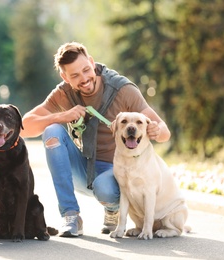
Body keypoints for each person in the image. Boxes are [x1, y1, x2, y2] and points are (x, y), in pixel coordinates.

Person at [20, 42, 171, 237]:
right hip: (84, 168)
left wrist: (157, 130)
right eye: (74, 75)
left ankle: (112, 208)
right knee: (52, 131)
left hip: (116, 172)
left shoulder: (122, 89)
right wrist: (61, 116)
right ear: (65, 77)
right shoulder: (63, 93)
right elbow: (24, 126)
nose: (84, 79)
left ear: (92, 62)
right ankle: (71, 215)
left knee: (105, 188)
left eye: (86, 70)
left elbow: (165, 132)